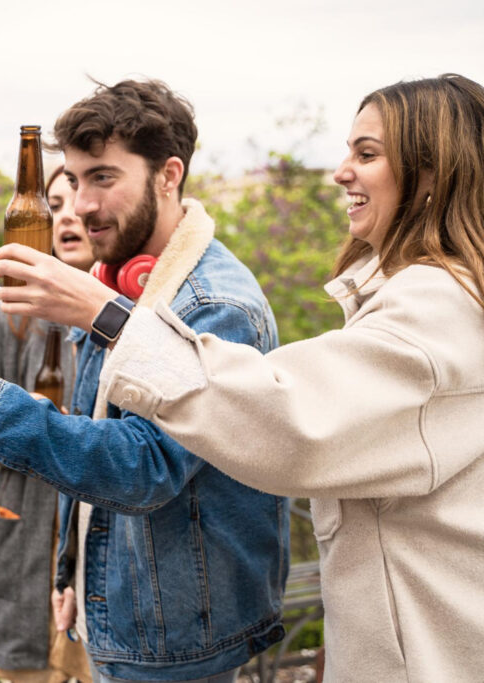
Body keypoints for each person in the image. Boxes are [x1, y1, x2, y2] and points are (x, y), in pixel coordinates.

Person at [63, 74, 484, 681]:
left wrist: (103, 319)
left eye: (366, 154)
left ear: (430, 174)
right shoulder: (439, 296)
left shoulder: (433, 310)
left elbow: (285, 424)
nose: (341, 172)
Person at [0, 80, 290, 683]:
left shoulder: (214, 305)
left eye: (102, 178)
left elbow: (141, 469)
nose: (78, 205)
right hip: (119, 612)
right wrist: (72, 571)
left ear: (168, 175)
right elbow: (87, 429)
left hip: (176, 642)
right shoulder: (119, 282)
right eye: (72, 180)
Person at [0, 165, 92, 683]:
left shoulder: (132, 313)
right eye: (55, 205)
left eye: (78, 201)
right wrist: (37, 427)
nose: (67, 216)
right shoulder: (15, 311)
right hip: (27, 545)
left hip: (93, 553)